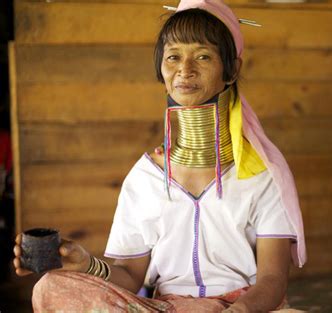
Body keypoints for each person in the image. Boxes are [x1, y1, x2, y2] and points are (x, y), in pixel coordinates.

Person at [13, 0, 306, 311]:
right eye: (173, 57)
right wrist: (87, 264)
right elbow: (130, 277)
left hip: (243, 308)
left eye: (203, 56)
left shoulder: (261, 174)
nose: (185, 69)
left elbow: (272, 281)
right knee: (52, 287)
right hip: (165, 308)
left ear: (232, 70)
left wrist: (238, 311)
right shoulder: (145, 178)